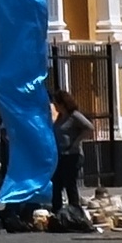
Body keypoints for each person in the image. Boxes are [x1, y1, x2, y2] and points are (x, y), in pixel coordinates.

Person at [49, 88, 94, 228]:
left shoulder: (74, 116)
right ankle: (57, 212)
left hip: (72, 155)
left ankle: (75, 212)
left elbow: (89, 127)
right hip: (61, 155)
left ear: (63, 104)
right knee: (56, 184)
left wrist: (76, 142)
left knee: (70, 183)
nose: (55, 106)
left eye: (56, 103)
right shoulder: (60, 118)